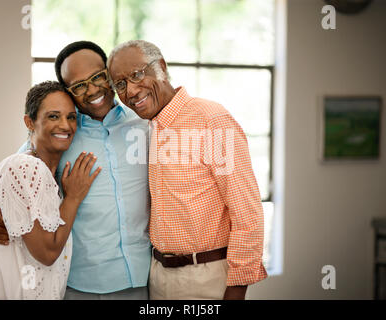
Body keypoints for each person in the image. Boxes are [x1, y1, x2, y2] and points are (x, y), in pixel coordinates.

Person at [0, 41, 152, 300]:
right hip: (77, 286)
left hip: (139, 281)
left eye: (98, 77)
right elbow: (10, 175)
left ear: (109, 74)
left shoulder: (145, 126)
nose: (92, 90)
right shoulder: (61, 135)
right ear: (69, 92)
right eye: (79, 86)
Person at [107, 40, 268, 300]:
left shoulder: (211, 120)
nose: (131, 91)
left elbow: (247, 215)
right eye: (121, 84)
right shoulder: (146, 128)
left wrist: (237, 290)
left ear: (161, 67)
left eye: (137, 74)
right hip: (157, 276)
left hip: (206, 278)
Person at [0, 81, 101, 299]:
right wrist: (74, 197)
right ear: (29, 122)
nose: (65, 125)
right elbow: (47, 253)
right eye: (53, 116)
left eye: (70, 117)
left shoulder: (43, 173)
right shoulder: (25, 167)